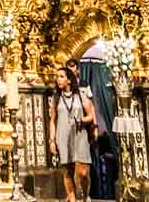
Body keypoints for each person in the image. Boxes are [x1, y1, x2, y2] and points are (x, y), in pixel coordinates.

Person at [49, 66, 95, 202]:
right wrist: (52, 140)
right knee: (68, 171)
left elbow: (91, 116)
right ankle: (72, 198)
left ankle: (85, 195)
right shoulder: (56, 98)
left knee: (83, 172)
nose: (58, 79)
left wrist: (82, 120)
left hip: (79, 135)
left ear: (69, 80)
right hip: (62, 136)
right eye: (57, 77)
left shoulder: (80, 95)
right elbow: (52, 121)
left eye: (61, 76)